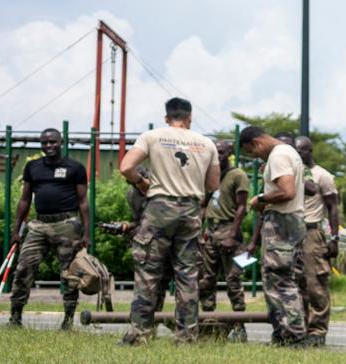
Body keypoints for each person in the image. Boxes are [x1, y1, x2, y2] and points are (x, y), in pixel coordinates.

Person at [119, 99, 220, 344]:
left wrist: (142, 183)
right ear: (190, 117)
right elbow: (213, 185)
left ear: (167, 117)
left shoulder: (152, 136)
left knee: (148, 273)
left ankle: (139, 335)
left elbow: (126, 167)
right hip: (191, 211)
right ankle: (186, 337)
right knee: (187, 275)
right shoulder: (206, 143)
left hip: (159, 209)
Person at [7, 127, 89, 329]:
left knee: (69, 273)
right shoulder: (33, 167)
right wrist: (16, 231)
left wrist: (86, 233)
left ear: (61, 142)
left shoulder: (75, 167)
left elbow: (83, 202)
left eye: (53, 142)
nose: (49, 146)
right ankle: (15, 318)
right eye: (44, 143)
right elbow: (25, 199)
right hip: (39, 224)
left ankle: (68, 320)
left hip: (67, 225)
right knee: (23, 267)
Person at [237, 124, 307, 346]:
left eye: (251, 151)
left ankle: (292, 335)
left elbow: (287, 191)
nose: (254, 156)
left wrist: (261, 199)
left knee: (279, 280)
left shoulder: (278, 155)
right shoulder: (287, 152)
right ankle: (285, 333)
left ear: (256, 142)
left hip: (282, 222)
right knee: (283, 278)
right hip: (291, 221)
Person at [294, 136, 343, 349]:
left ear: (309, 151)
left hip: (313, 232)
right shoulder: (292, 174)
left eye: (301, 151)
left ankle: (318, 331)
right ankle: (301, 329)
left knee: (316, 284)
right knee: (297, 285)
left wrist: (334, 238)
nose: (297, 156)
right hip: (292, 232)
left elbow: (333, 208)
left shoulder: (322, 176)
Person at [197, 138, 250, 323]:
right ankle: (208, 319)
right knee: (206, 279)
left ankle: (239, 323)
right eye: (214, 153)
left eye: (221, 152)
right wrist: (198, 228)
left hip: (229, 230)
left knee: (233, 279)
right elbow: (203, 204)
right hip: (210, 231)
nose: (218, 156)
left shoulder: (238, 175)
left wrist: (232, 235)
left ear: (229, 154)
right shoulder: (211, 175)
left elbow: (242, 207)